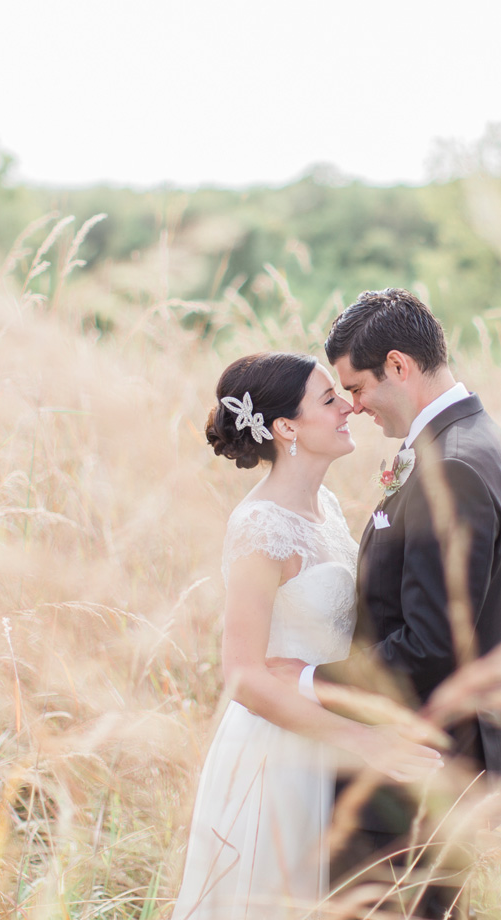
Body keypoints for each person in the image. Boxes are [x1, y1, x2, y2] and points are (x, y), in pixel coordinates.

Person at [270, 289, 501, 918]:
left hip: (418, 767)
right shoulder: (468, 441)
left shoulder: (454, 466)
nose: (353, 407)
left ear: (399, 366)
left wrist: (306, 682)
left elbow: (430, 645)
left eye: (356, 387)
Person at [172, 351, 443, 920]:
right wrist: (363, 740)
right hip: (278, 755)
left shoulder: (322, 506)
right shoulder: (259, 527)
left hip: (330, 741)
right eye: (328, 400)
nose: (348, 405)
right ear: (286, 428)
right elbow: (244, 676)